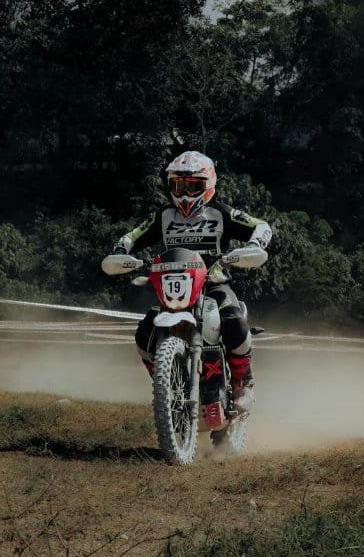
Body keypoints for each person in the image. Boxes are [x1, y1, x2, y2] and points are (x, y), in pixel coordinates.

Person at [111, 151, 272, 412]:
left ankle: (244, 383)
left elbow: (261, 226)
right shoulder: (163, 216)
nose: (185, 193)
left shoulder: (221, 213)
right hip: (174, 286)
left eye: (193, 186)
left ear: (208, 185)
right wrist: (121, 251)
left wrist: (253, 245)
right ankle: (167, 384)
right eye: (178, 186)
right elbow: (132, 236)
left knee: (234, 320)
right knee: (144, 335)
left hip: (213, 283)